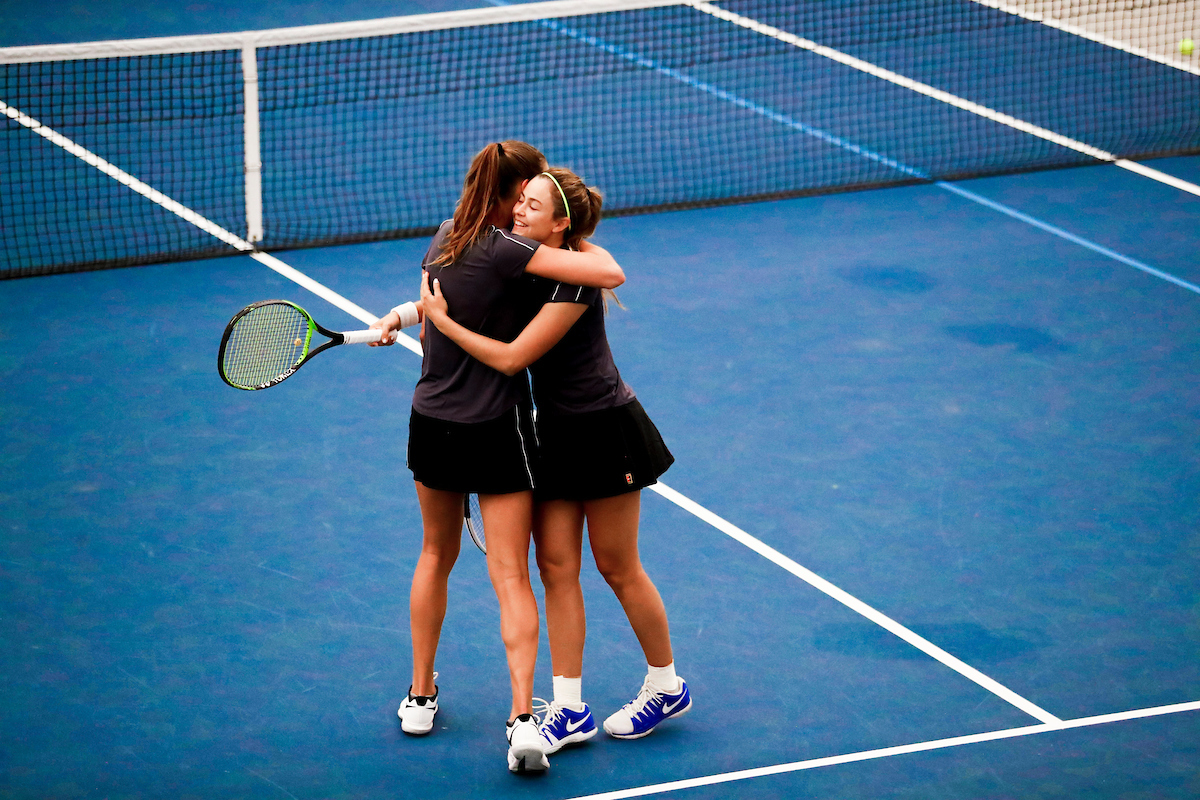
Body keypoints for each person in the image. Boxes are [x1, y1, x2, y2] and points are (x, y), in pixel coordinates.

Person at [371, 144, 626, 773]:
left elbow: (441, 305)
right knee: (511, 575)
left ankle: (420, 696)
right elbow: (608, 273)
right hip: (496, 430)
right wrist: (575, 235)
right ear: (513, 194)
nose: (528, 205)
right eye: (528, 193)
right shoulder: (513, 250)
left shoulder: (444, 236)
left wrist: (404, 314)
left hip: (432, 424)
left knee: (434, 555)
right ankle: (521, 720)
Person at [420, 167, 690, 758]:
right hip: (554, 434)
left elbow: (511, 358)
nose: (518, 210)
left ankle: (666, 684)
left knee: (617, 566)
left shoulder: (573, 282)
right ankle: (569, 708)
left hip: (605, 430)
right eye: (519, 200)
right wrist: (405, 313)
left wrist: (440, 324)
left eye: (532, 205)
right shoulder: (526, 262)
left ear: (560, 223)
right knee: (555, 567)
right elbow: (469, 289)